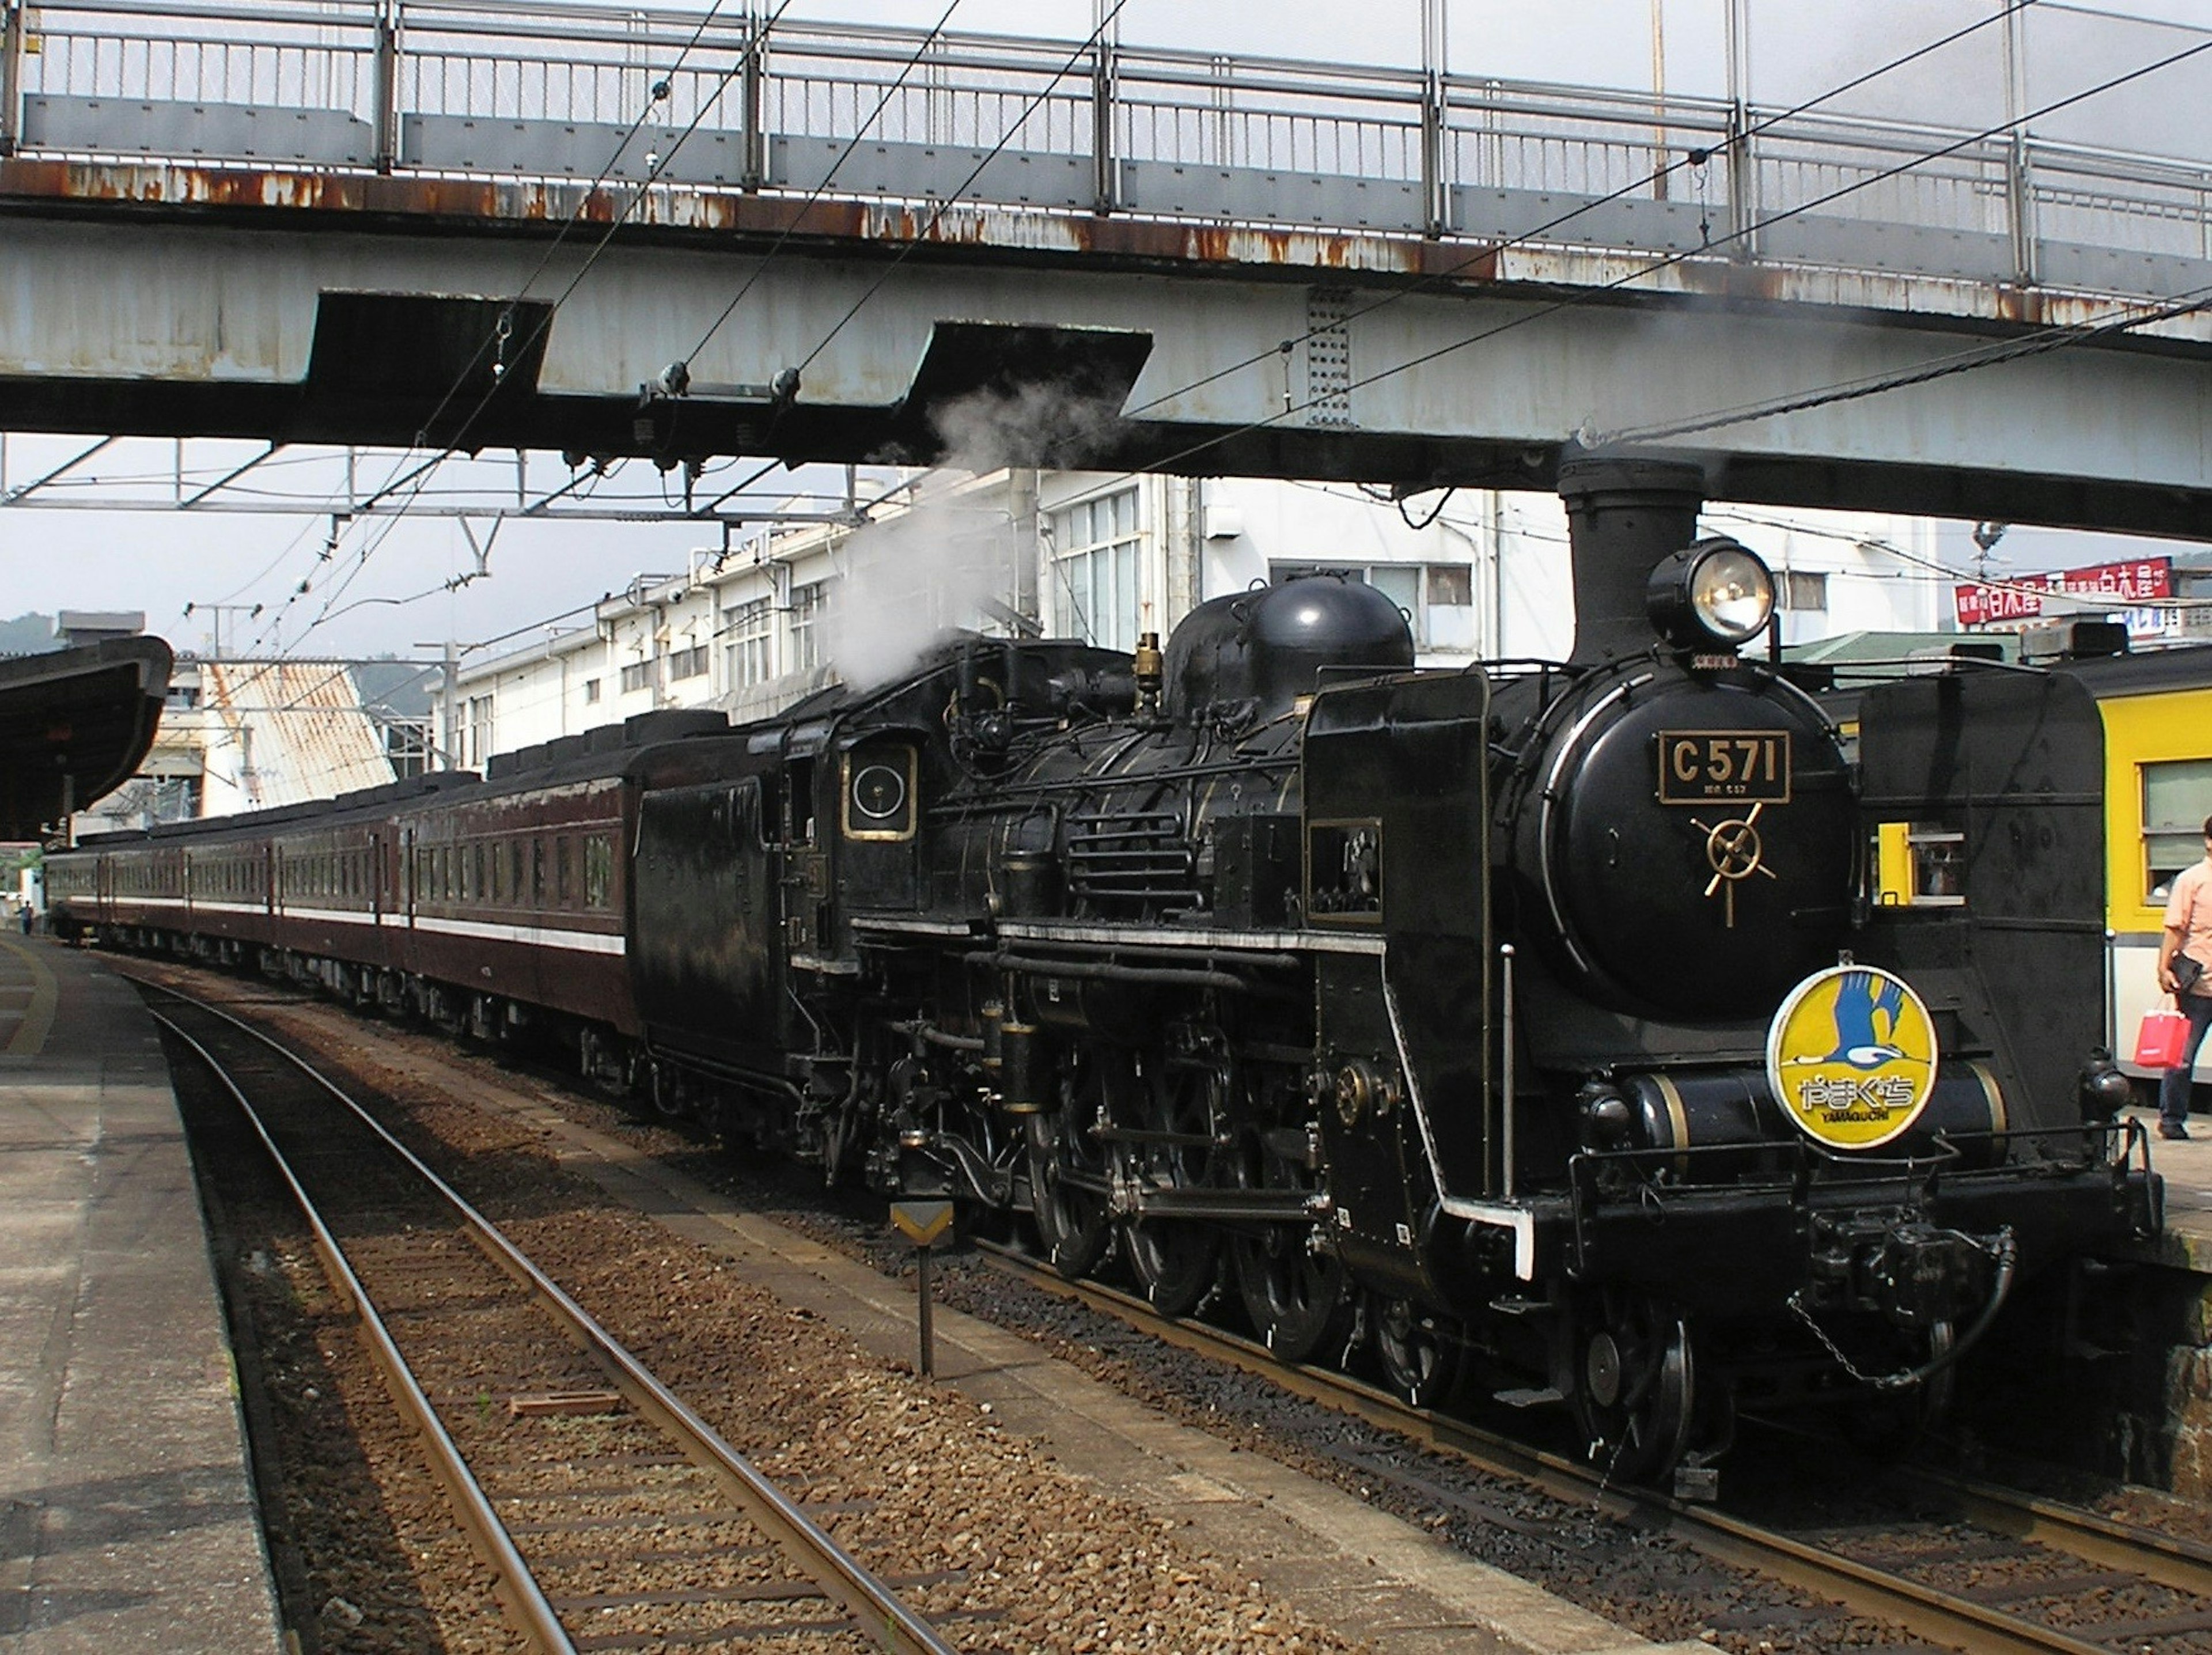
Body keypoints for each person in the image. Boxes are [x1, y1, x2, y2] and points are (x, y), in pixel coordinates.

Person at [2156, 814, 2212, 1140]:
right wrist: (2163, 968)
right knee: (2183, 1056)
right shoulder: (2191, 880)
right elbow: (2175, 929)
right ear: (2208, 841)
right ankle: (2172, 1119)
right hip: (2198, 984)